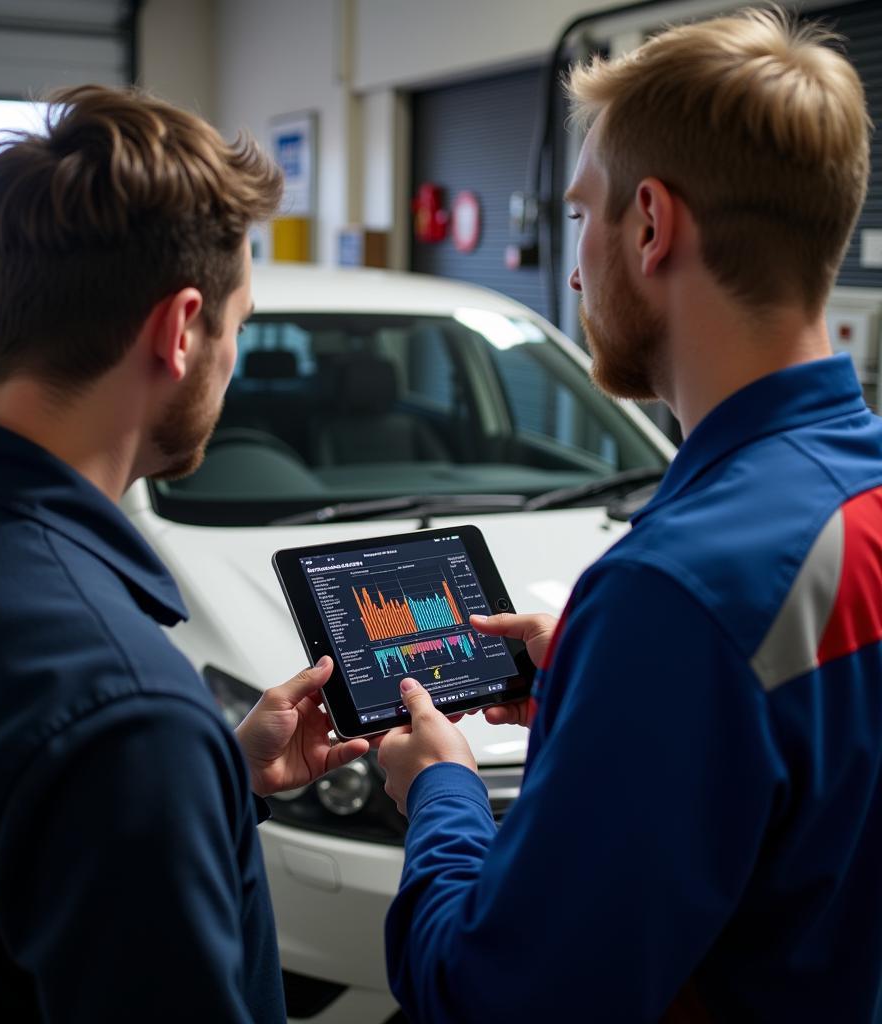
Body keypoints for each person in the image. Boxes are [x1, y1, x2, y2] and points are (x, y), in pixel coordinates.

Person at [377, 8, 882, 1021]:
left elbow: (496, 996)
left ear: (650, 224)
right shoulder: (844, 506)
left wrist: (442, 790)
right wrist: (590, 675)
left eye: (579, 216)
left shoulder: (674, 597)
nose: (571, 269)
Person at [0, 85, 369, 1022]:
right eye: (237, 327)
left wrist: (211, 779)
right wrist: (159, 765)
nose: (232, 358)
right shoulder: (125, 709)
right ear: (180, 331)